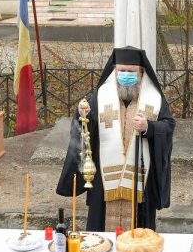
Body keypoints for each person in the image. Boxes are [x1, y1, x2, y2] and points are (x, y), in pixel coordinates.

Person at [56, 46, 175, 232]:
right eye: (121, 71)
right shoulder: (100, 97)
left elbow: (168, 126)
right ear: (114, 70)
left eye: (131, 71)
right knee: (101, 230)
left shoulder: (155, 99)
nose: (125, 75)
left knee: (140, 234)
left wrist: (149, 127)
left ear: (141, 72)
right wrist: (82, 115)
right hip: (104, 181)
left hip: (141, 177)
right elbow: (86, 127)